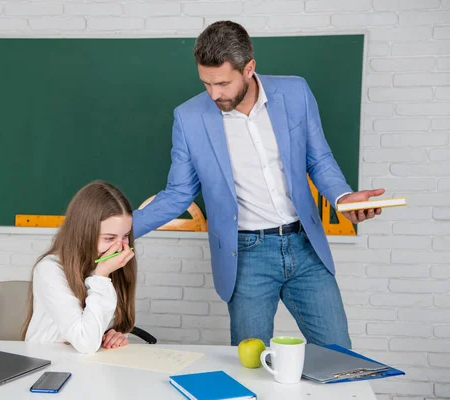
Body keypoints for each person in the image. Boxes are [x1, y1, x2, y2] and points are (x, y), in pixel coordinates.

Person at [133, 21, 384, 349]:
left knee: (339, 355)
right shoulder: (189, 117)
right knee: (250, 364)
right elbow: (179, 192)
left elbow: (319, 160)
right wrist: (121, 230)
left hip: (305, 247)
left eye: (222, 83)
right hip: (246, 255)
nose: (214, 94)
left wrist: (344, 198)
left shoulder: (295, 93)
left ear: (249, 68)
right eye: (206, 84)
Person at [22, 180, 137, 354]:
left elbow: (102, 328)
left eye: (126, 236)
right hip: (48, 362)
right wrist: (101, 277)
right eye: (109, 238)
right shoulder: (49, 270)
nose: (120, 247)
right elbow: (86, 342)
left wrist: (114, 335)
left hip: (88, 364)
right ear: (84, 233)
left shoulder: (107, 264)